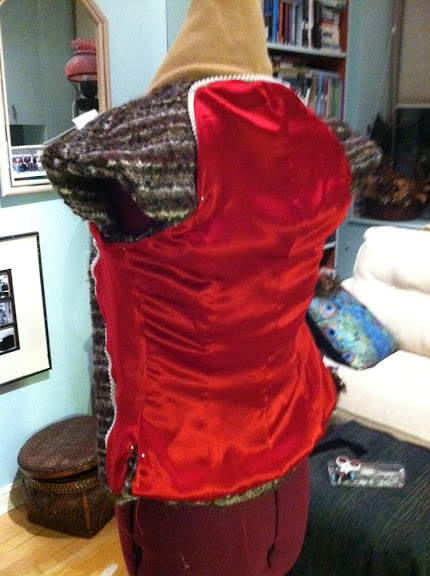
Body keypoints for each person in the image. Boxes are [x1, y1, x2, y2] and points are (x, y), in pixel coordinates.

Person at [43, 1, 379, 574]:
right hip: (287, 467)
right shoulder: (321, 145)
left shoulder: (141, 146)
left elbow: (68, 154)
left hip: (189, 492)